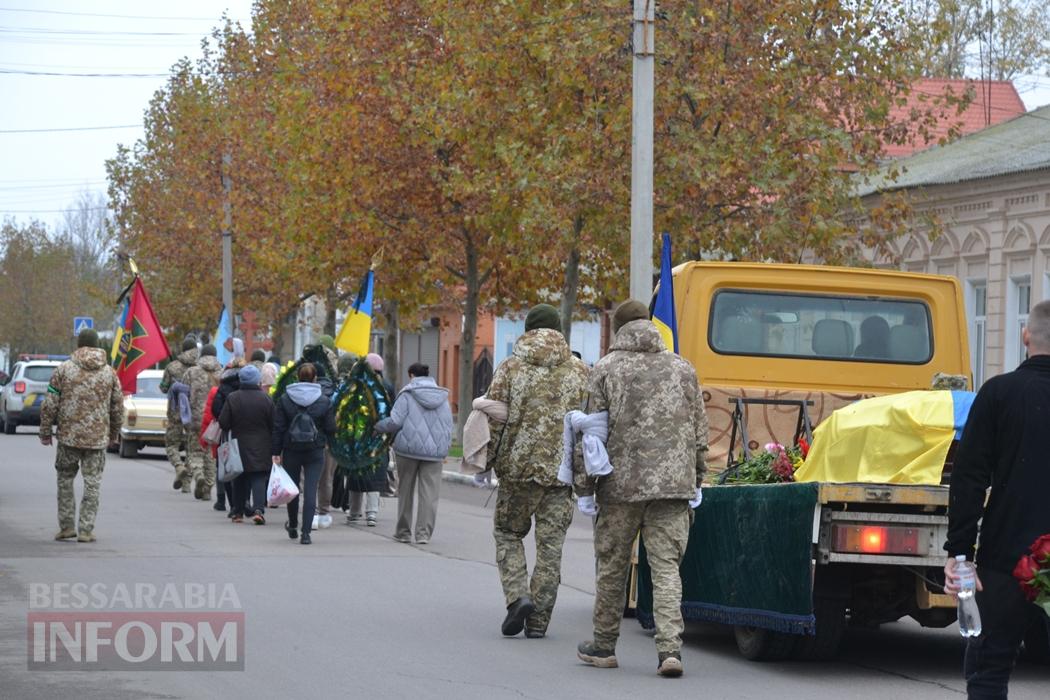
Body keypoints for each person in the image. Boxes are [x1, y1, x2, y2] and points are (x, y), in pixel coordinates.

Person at [575, 300, 708, 678]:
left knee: (612, 567)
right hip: (673, 487)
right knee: (666, 570)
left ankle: (604, 646)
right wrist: (697, 478)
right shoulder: (683, 369)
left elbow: (591, 436)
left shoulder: (605, 369)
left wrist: (585, 487)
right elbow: (700, 432)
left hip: (620, 486)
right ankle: (670, 651)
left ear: (618, 329)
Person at [944, 299, 1050, 699]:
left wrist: (960, 554)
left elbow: (969, 478)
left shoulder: (998, 394)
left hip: (1006, 559)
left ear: (1025, 336)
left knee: (989, 668)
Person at [483, 304, 589, 639]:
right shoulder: (580, 371)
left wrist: (486, 460)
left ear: (528, 329)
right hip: (561, 475)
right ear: (559, 329)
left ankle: (518, 597)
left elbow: (495, 419)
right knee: (550, 549)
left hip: (517, 471)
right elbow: (590, 425)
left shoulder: (510, 367)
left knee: (508, 533)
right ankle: (539, 621)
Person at [38, 328, 124, 543]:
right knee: (93, 482)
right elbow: (117, 407)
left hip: (68, 437)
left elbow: (50, 403)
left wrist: (46, 431)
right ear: (97, 345)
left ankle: (67, 527)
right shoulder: (109, 373)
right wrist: (114, 433)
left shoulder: (63, 370)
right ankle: (86, 530)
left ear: (79, 345)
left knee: (65, 479)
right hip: (97, 439)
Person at [375, 362, 452, 544]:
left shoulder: (407, 394)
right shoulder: (442, 397)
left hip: (408, 450)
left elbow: (395, 421)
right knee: (430, 494)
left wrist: (377, 426)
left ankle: (403, 532)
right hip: (434, 453)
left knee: (405, 491)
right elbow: (448, 424)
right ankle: (423, 534)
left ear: (411, 375)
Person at [272, 363, 336, 544]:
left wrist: (275, 451)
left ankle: (293, 524)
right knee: (311, 489)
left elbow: (278, 427)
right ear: (315, 378)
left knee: (292, 488)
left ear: (298, 377)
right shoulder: (323, 400)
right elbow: (331, 428)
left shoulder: (286, 398)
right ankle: (306, 533)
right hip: (315, 449)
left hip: (291, 449)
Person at [219, 365, 275, 525]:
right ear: (258, 380)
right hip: (262, 445)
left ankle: (238, 513)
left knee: (239, 479)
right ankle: (258, 510)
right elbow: (274, 423)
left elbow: (224, 422)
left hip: (239, 445)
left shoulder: (233, 398)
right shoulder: (266, 399)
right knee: (258, 477)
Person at [347, 353, 394, 527]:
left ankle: (354, 511)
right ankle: (372, 512)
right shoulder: (387, 386)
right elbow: (393, 413)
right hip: (379, 436)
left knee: (356, 473)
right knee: (376, 473)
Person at [182, 345, 223, 501]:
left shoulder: (191, 372)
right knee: (211, 455)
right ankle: (207, 488)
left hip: (195, 419)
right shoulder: (222, 373)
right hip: (214, 420)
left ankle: (198, 474)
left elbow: (183, 397)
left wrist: (184, 419)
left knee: (195, 452)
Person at [159, 337, 198, 491]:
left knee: (171, 445)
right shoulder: (199, 368)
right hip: (193, 414)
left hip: (175, 412)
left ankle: (178, 466)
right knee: (190, 448)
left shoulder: (172, 367)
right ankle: (187, 484)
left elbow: (163, 388)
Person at [211, 356, 246, 513]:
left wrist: (224, 421)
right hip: (247, 432)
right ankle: (244, 502)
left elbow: (215, 408)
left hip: (227, 432)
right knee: (244, 468)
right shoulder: (250, 385)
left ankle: (231, 503)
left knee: (226, 466)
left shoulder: (224, 386)